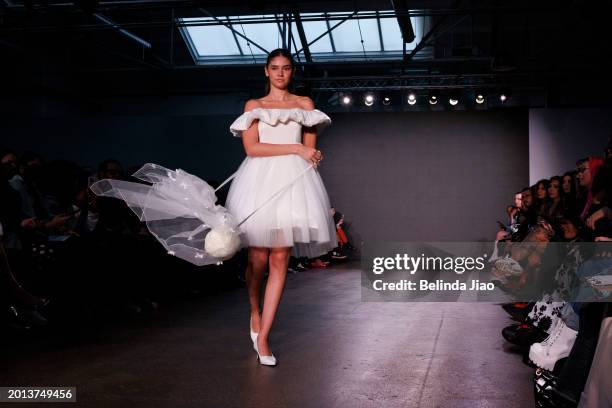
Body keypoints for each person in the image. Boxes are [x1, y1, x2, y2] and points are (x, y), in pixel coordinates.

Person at [226, 48, 337, 366]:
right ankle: (255, 310)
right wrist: (297, 148)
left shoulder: (305, 105)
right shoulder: (254, 106)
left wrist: (310, 155)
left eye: (286, 68)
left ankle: (263, 338)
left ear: (292, 72)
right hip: (259, 181)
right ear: (266, 71)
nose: (280, 73)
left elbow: (310, 155)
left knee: (279, 259)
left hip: (293, 185)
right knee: (257, 260)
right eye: (274, 68)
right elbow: (252, 148)